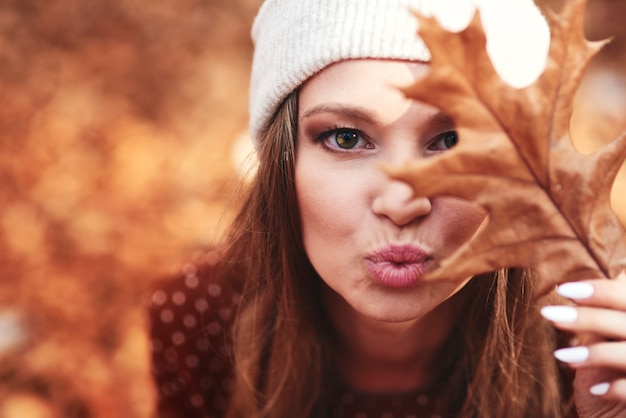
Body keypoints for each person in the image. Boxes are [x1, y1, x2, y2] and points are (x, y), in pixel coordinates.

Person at [148, 0, 626, 417]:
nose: (402, 203)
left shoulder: (587, 347)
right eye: (347, 138)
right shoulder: (203, 321)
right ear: (282, 163)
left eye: (453, 141)